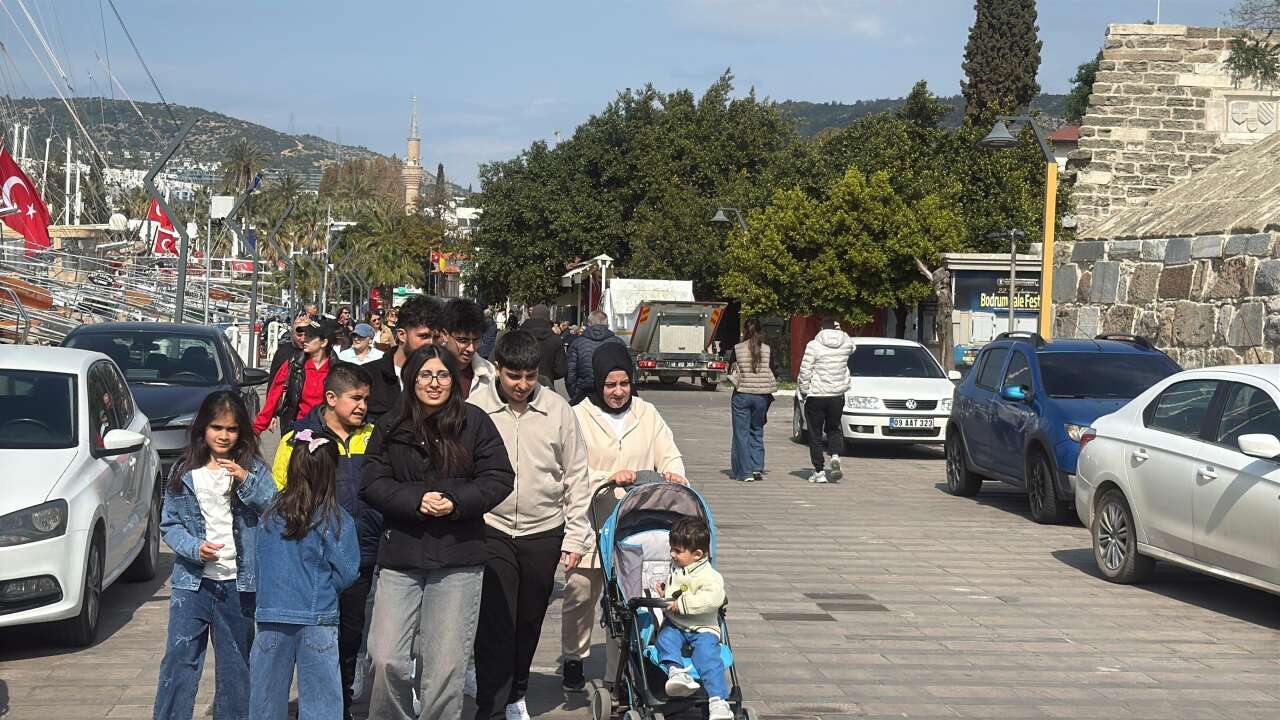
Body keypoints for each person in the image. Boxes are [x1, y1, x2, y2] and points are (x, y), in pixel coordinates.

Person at [360, 345, 515, 720]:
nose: (434, 383)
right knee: (385, 658)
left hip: (458, 557)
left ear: (454, 379)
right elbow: (371, 480)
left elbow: (498, 477)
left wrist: (454, 500)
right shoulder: (391, 424)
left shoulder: (475, 422)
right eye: (425, 375)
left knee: (446, 668)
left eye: (442, 375)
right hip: (402, 555)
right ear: (411, 379)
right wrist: (417, 499)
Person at [467, 331, 591, 720]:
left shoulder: (558, 410)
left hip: (544, 529)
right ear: (497, 370)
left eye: (530, 377)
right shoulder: (476, 407)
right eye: (513, 377)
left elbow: (577, 476)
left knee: (529, 617)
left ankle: (518, 688)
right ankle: (491, 704)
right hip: (492, 527)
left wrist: (575, 536)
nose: (522, 386)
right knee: (494, 620)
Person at [562, 342, 687, 692]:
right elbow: (569, 469)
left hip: (635, 526)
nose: (618, 392)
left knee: (625, 602)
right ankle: (573, 656)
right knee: (581, 593)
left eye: (624, 384)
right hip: (590, 522)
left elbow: (670, 455)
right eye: (610, 385)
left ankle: (616, 672)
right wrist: (607, 476)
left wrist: (674, 474)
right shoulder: (578, 416)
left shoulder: (647, 414)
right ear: (598, 384)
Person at [153, 391, 276, 720]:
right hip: (192, 584)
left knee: (237, 661)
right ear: (202, 429)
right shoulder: (184, 471)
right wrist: (195, 549)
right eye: (216, 427)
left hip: (239, 584)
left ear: (242, 432)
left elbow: (274, 509)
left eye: (232, 429)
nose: (224, 435)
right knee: (180, 659)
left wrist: (245, 481)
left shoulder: (253, 470)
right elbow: (170, 525)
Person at [273, 364, 381, 720]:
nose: (363, 406)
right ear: (331, 399)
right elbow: (280, 494)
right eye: (356, 398)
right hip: (311, 560)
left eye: (366, 399)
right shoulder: (297, 438)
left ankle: (342, 705)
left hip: (359, 555)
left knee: (350, 635)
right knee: (315, 638)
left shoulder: (375, 437)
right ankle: (315, 705)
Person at [251, 428, 361, 720]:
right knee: (322, 703)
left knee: (265, 700)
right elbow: (348, 571)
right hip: (318, 618)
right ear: (330, 473)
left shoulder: (269, 515)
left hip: (271, 616)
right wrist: (324, 585)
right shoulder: (335, 518)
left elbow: (257, 563)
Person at [654, 516, 731, 720]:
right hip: (677, 625)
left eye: (677, 551)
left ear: (697, 554)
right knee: (664, 639)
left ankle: (718, 700)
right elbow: (676, 589)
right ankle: (676, 671)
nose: (672, 554)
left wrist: (682, 604)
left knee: (708, 657)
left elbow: (715, 598)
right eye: (672, 549)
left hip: (702, 627)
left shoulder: (709, 576)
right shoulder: (678, 568)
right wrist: (665, 594)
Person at [796, 318, 855, 484]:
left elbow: (805, 370)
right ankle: (835, 455)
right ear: (836, 327)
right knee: (833, 428)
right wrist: (840, 331)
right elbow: (853, 348)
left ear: (821, 328)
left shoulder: (813, 345)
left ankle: (819, 471)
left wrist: (804, 390)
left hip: (817, 395)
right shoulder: (845, 342)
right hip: (837, 395)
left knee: (815, 434)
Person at [366, 295, 443, 423]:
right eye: (424, 336)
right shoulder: (369, 376)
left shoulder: (444, 379)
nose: (431, 344)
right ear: (402, 335)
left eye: (436, 338)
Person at [255, 317, 336, 435]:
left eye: (310, 336)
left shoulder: (338, 370)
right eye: (303, 335)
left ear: (323, 342)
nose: (304, 339)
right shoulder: (293, 365)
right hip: (298, 430)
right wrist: (255, 430)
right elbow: (273, 398)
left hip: (328, 432)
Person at [726, 318, 780, 482]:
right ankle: (757, 468)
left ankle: (745, 472)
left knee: (741, 434)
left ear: (744, 330)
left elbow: (731, 370)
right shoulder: (767, 349)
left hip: (742, 395)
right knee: (757, 431)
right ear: (760, 330)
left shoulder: (738, 349)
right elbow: (773, 371)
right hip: (762, 398)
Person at [439, 297, 496, 399]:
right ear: (444, 335)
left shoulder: (489, 373)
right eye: (463, 341)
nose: (471, 349)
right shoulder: (425, 370)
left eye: (476, 341)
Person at [566, 310, 625, 405]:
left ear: (589, 324)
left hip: (583, 393)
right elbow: (627, 370)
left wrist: (575, 394)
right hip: (612, 393)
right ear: (607, 324)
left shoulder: (577, 343)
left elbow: (570, 372)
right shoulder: (618, 342)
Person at [518, 304, 566, 388]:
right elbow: (561, 370)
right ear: (548, 318)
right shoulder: (555, 340)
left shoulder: (518, 337)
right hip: (546, 386)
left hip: (521, 385)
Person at [270, 311, 311, 381]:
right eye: (299, 335)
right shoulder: (283, 352)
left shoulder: (316, 352)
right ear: (293, 333)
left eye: (307, 335)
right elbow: (273, 381)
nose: (303, 339)